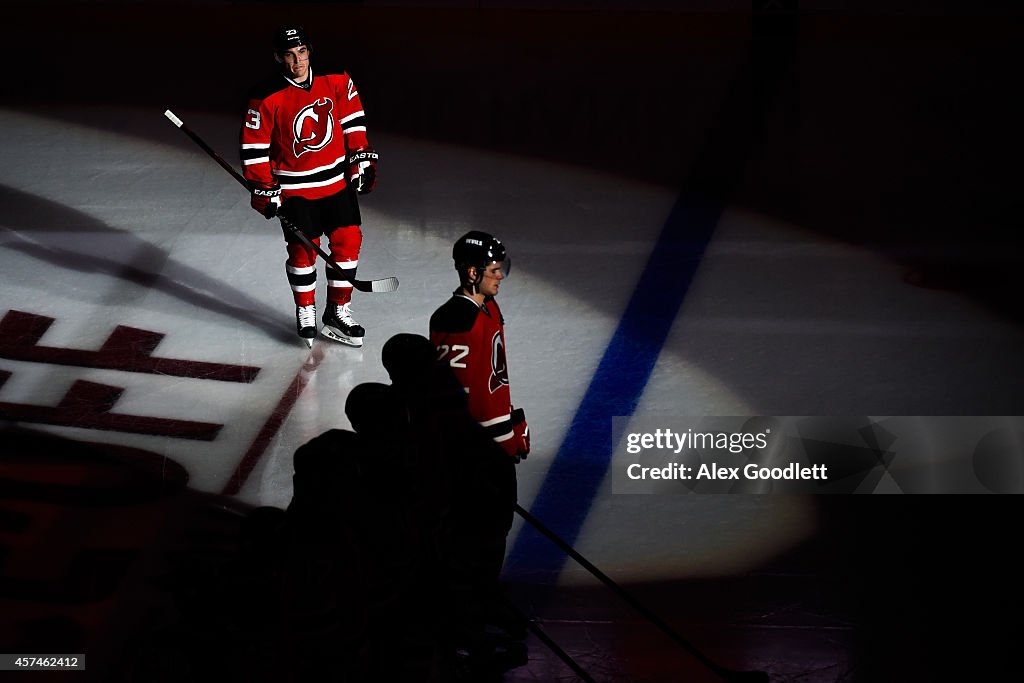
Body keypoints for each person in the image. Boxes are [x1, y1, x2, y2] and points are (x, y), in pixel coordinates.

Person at [240, 24, 379, 348]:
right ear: (279, 57)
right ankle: (305, 309)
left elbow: (353, 121)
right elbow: (255, 149)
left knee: (348, 242)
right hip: (295, 189)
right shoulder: (265, 96)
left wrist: (361, 161)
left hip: (336, 181)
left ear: (309, 51)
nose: (297, 61)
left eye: (302, 52)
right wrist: (265, 190)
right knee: (303, 251)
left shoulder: (336, 78)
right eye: (289, 55)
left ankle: (338, 310)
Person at [429, 231, 530, 461]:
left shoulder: (489, 306)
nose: (500, 276)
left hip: (498, 440)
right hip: (475, 450)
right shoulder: (455, 319)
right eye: (494, 271)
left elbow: (493, 376)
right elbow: (451, 396)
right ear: (473, 273)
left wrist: (510, 422)